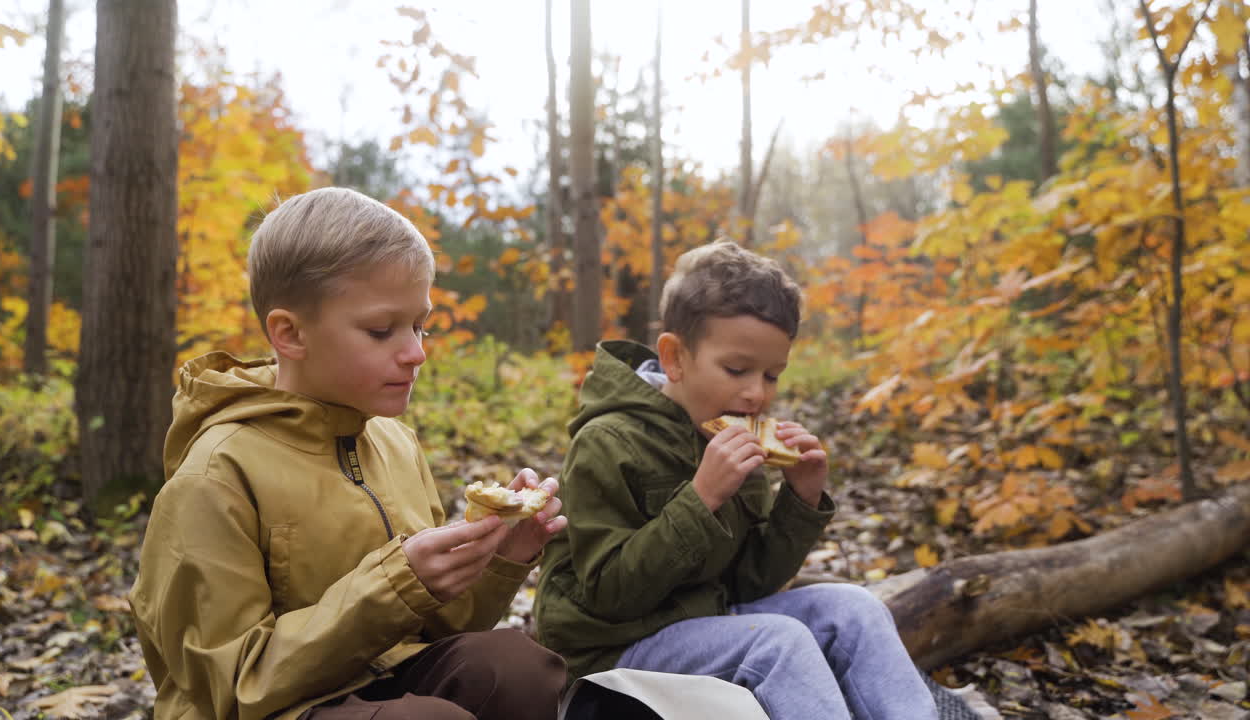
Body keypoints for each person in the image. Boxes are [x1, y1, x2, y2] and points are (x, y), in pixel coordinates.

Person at [130, 187, 569, 720]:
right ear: (290, 333)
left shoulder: (394, 442)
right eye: (382, 330)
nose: (416, 352)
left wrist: (504, 555)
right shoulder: (219, 473)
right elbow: (230, 685)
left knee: (515, 668)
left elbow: (441, 630)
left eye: (419, 325)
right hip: (263, 708)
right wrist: (394, 585)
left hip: (376, 680)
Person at [535, 240, 936, 719]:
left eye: (772, 375)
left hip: (709, 624)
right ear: (675, 358)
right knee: (777, 644)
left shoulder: (730, 435)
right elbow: (609, 594)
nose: (756, 394)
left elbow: (749, 586)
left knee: (855, 608)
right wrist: (701, 498)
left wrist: (801, 499)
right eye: (737, 369)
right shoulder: (608, 442)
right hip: (612, 651)